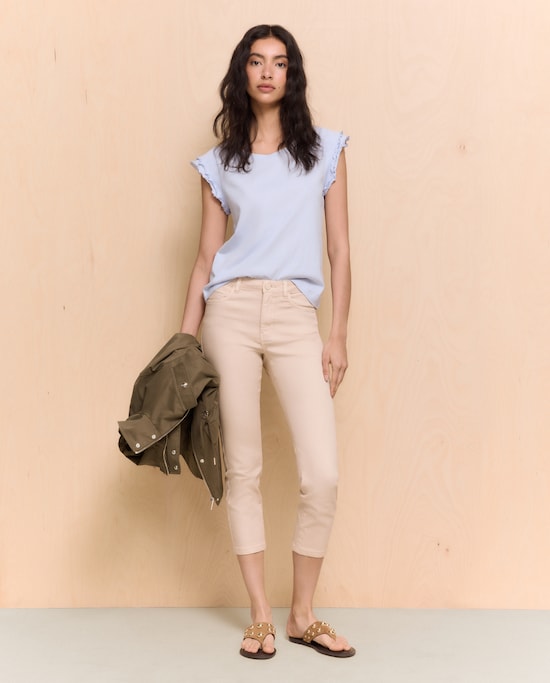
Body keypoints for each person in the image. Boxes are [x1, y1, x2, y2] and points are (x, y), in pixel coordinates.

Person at [180, 24, 354, 659]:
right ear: (242, 73)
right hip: (228, 310)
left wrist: (337, 334)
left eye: (279, 63)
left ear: (292, 75)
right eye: (256, 62)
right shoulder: (219, 162)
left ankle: (302, 613)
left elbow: (339, 250)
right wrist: (183, 345)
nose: (267, 72)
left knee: (322, 473)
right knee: (244, 468)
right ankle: (260, 614)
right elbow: (206, 258)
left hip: (294, 313)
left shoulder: (326, 151)